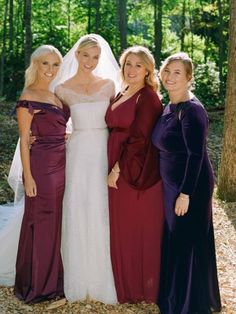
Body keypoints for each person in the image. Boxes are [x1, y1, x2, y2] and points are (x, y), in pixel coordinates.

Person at [152, 52, 221, 313]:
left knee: (187, 239)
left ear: (189, 78)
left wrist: (186, 193)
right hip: (173, 184)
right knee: (176, 239)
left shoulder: (193, 110)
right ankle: (174, 297)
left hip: (190, 186)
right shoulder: (169, 105)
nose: (170, 76)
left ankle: (189, 304)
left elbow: (196, 155)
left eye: (177, 72)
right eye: (167, 71)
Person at [54, 34, 118, 304]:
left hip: (103, 149)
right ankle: (79, 276)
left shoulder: (109, 85)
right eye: (86, 55)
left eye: (95, 57)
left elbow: (118, 119)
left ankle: (104, 275)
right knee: (78, 206)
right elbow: (53, 122)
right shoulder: (62, 89)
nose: (90, 61)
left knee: (101, 205)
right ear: (77, 55)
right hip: (78, 152)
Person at [105, 46, 164, 303]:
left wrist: (117, 169)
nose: (132, 69)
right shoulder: (123, 91)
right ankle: (124, 285)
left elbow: (140, 139)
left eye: (138, 65)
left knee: (137, 228)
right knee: (120, 227)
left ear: (148, 70)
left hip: (132, 170)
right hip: (114, 160)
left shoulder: (148, 97)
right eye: (128, 63)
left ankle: (142, 289)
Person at [14, 45, 70, 303]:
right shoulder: (29, 96)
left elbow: (57, 127)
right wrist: (29, 177)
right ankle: (38, 286)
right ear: (35, 65)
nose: (50, 69)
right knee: (43, 222)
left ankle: (50, 280)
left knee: (55, 222)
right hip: (42, 169)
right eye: (45, 64)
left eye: (55, 64)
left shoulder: (55, 95)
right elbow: (25, 140)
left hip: (62, 166)